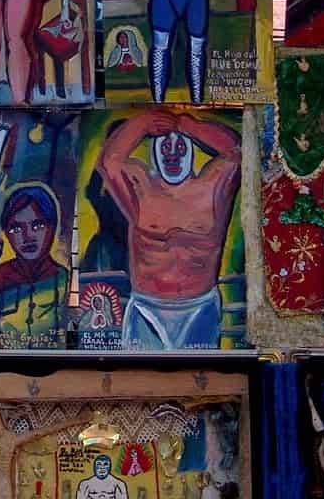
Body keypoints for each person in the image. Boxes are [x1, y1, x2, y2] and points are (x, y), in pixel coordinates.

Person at [97, 109, 241, 350]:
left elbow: (237, 152)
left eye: (180, 147)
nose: (172, 155)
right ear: (155, 153)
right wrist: (144, 121)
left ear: (191, 152)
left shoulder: (212, 188)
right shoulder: (142, 189)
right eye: (165, 147)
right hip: (146, 307)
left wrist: (187, 125)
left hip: (199, 307)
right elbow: (108, 161)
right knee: (139, 372)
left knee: (199, 373)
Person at [0, 185, 68, 339]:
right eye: (16, 229)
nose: (28, 236)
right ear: (7, 234)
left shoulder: (64, 279)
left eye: (38, 226)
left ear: (52, 228)